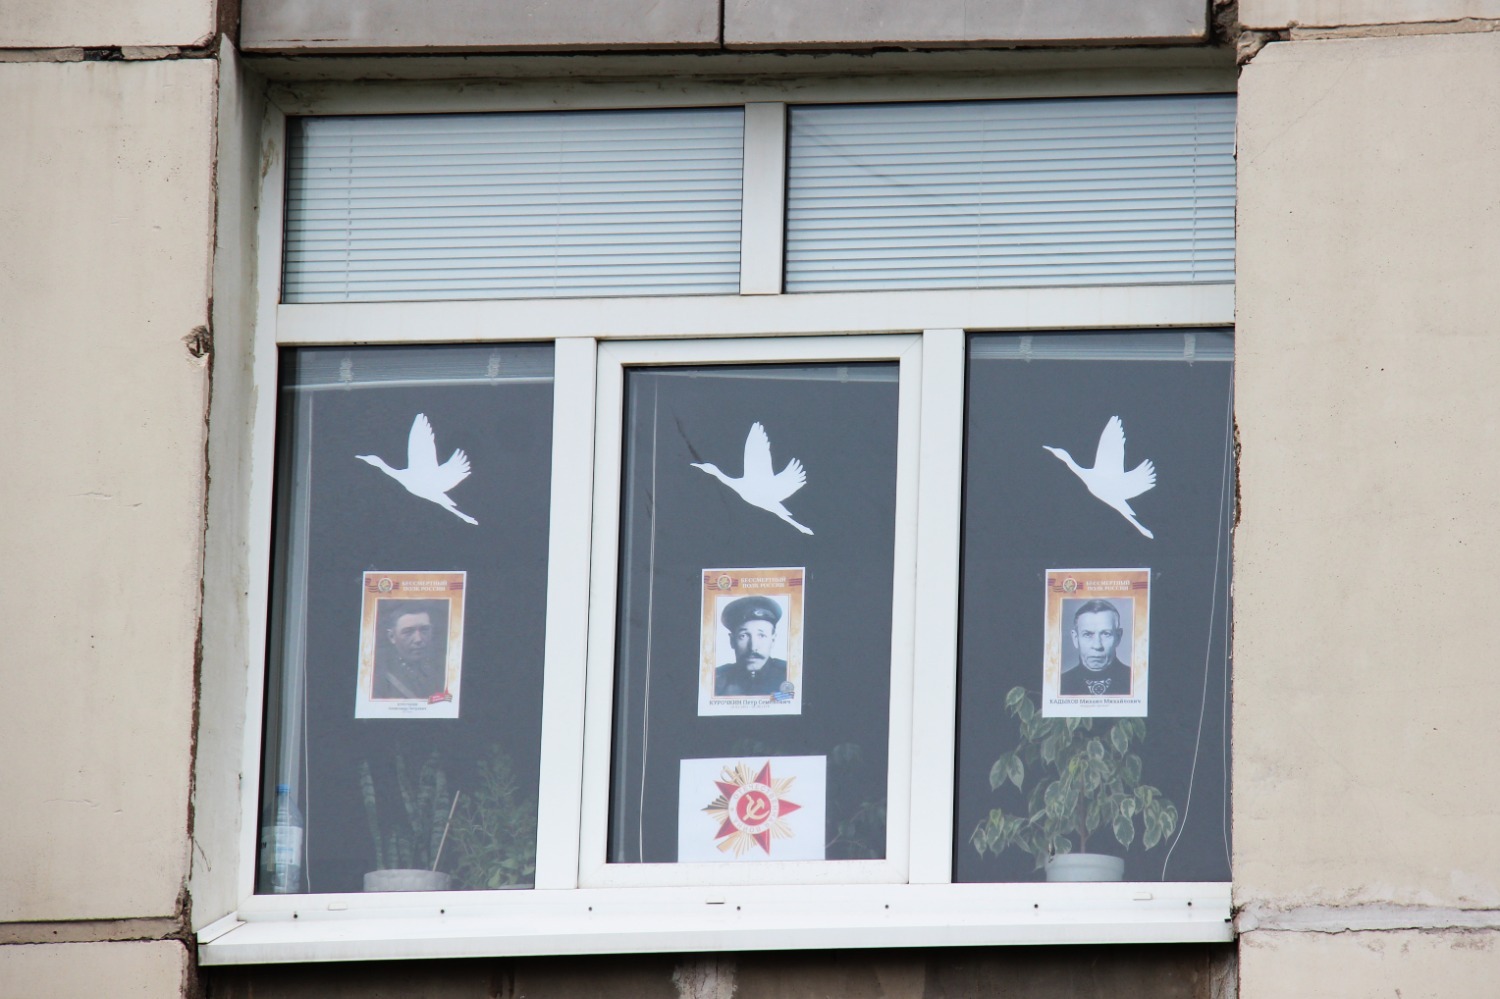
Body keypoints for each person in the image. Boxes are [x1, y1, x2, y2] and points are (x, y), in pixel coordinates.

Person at [714, 595, 789, 696]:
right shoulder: (716, 680)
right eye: (743, 636)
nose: (753, 648)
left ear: (773, 639)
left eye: (761, 635)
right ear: (732, 641)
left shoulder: (790, 674)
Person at [373, 602, 446, 699]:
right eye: (408, 632)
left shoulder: (445, 668)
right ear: (392, 637)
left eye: (424, 630)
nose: (418, 639)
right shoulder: (378, 677)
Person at [1060, 599, 1132, 696]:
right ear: (1075, 638)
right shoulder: (1059, 684)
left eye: (1106, 634)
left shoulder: (1137, 680)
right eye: (1087, 634)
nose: (1097, 646)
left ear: (1118, 637)